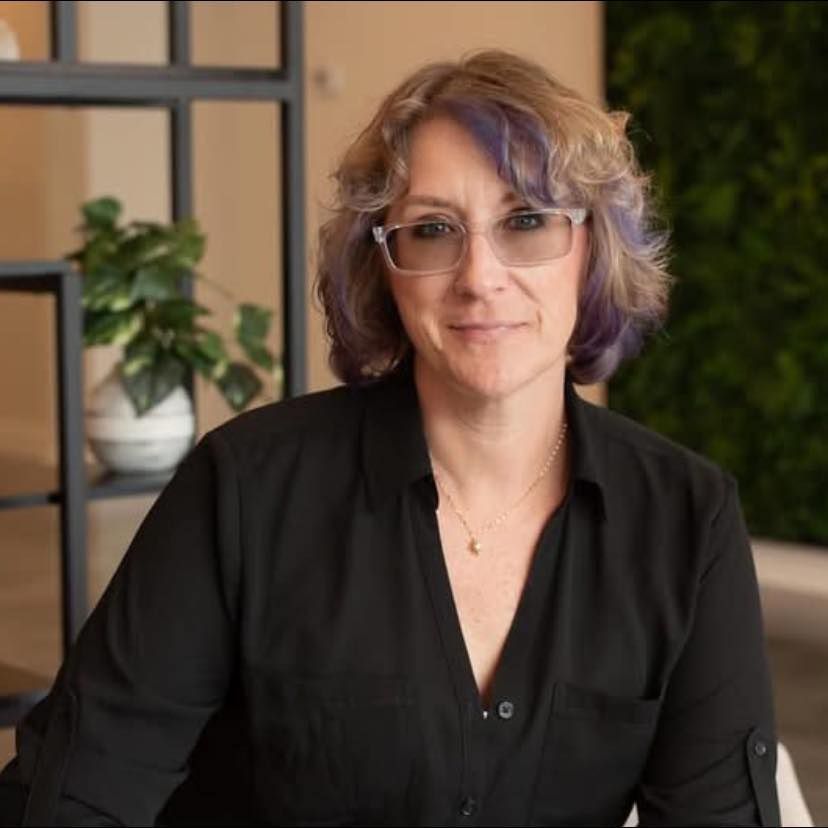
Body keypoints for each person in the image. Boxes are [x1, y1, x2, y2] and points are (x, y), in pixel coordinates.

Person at [0, 50, 779, 827]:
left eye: (528, 220)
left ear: (592, 251)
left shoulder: (688, 520)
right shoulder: (245, 490)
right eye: (433, 230)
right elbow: (74, 798)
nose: (480, 276)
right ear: (384, 269)